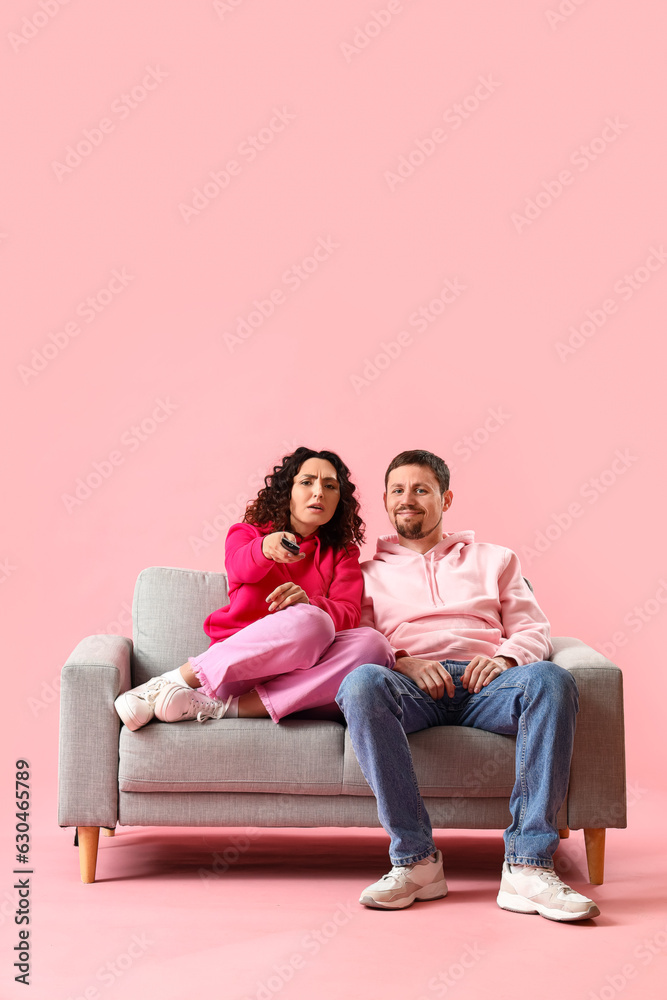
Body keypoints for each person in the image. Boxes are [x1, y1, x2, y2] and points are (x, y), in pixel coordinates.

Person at [335, 449, 600, 921]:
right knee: (360, 684)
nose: (407, 499)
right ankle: (416, 863)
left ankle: (527, 866)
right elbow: (359, 638)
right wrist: (405, 661)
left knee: (552, 680)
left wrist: (502, 659)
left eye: (421, 489)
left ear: (446, 497)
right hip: (411, 686)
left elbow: (533, 629)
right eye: (398, 490)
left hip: (488, 686)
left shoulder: (495, 559)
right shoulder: (365, 572)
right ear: (386, 500)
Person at [115, 447, 393, 729]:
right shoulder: (247, 534)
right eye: (307, 482)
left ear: (339, 500)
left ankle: (221, 709)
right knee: (315, 622)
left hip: (303, 679)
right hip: (240, 671)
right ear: (288, 491)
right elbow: (239, 566)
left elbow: (348, 614)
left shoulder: (342, 553)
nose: (319, 492)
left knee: (375, 645)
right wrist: (265, 548)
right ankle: (169, 682)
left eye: (330, 486)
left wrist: (310, 603)